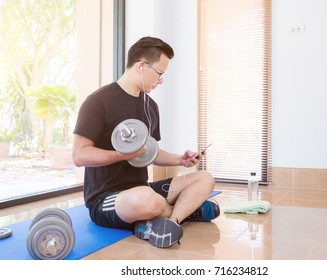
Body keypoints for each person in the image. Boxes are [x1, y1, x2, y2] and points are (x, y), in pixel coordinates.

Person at [72, 36, 219, 249]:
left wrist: (181, 159)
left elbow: (150, 152)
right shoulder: (97, 101)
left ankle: (170, 222)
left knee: (205, 179)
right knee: (148, 200)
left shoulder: (151, 107)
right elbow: (79, 156)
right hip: (108, 199)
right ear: (142, 66)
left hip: (143, 188)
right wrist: (121, 154)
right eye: (160, 73)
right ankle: (186, 209)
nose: (161, 80)